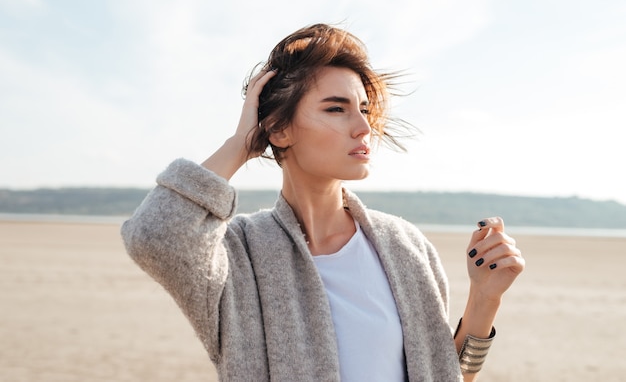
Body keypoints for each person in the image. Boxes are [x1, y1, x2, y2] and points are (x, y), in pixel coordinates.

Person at [121, 23, 525, 381]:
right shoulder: (237, 257)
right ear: (278, 130)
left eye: (364, 110)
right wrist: (240, 144)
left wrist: (484, 298)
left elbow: (444, 373)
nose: (364, 127)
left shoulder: (406, 246)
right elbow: (154, 235)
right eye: (337, 108)